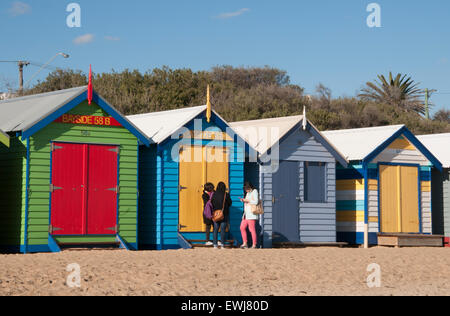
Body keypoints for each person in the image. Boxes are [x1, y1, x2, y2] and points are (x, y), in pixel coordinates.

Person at [210, 182, 232, 249]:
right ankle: (222, 245)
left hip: (216, 214)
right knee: (222, 230)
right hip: (224, 214)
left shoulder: (214, 194)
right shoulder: (226, 194)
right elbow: (230, 203)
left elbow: (212, 203)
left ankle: (215, 245)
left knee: (215, 229)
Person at [240, 182, 259, 249]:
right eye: (245, 189)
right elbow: (247, 201)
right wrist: (243, 200)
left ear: (250, 187)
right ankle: (245, 243)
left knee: (251, 229)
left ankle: (254, 244)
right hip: (246, 214)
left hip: (251, 214)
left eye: (246, 189)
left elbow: (256, 202)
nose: (246, 190)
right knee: (242, 227)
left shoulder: (255, 191)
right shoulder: (248, 193)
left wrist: (247, 200)